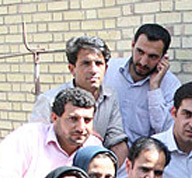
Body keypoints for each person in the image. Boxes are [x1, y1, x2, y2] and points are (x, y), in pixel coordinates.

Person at [31, 36, 128, 168]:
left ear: (106, 68)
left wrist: (107, 172)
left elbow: (117, 142)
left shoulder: (110, 96)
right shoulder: (49, 100)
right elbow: (37, 146)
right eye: (86, 63)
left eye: (98, 63)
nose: (93, 70)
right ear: (72, 69)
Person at [104, 23, 180, 143]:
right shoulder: (108, 70)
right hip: (104, 150)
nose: (144, 62)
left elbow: (166, 130)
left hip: (144, 152)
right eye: (140, 52)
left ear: (163, 57)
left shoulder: (170, 85)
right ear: (133, 45)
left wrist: (155, 88)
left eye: (152, 56)